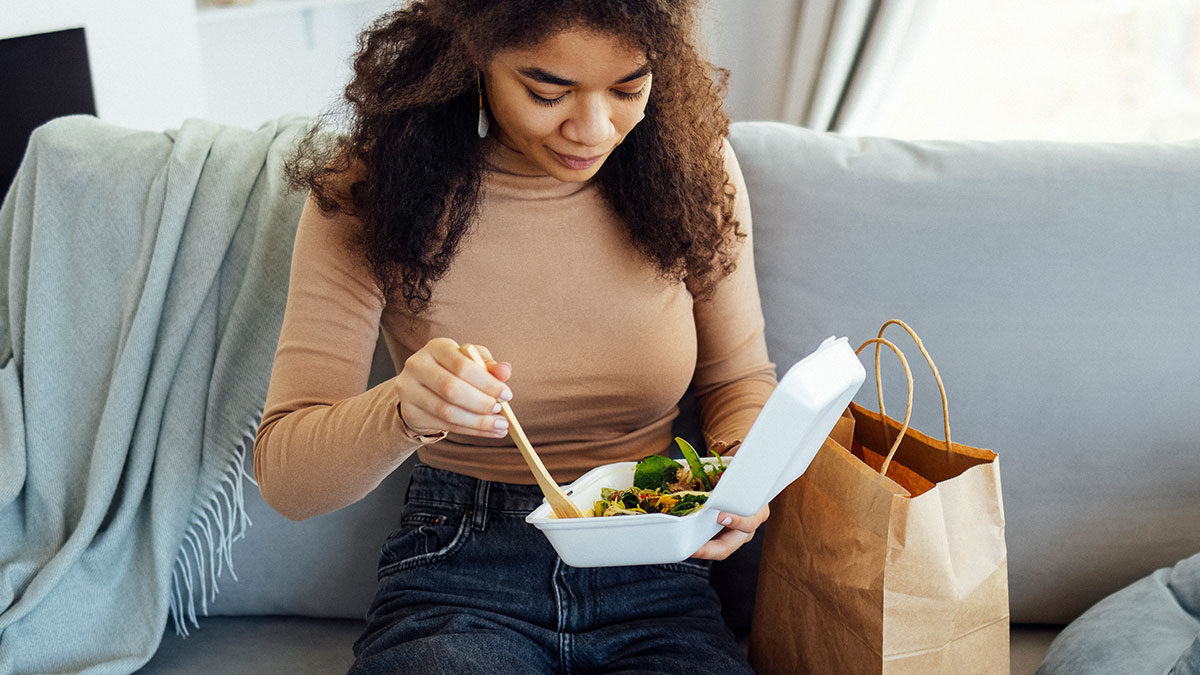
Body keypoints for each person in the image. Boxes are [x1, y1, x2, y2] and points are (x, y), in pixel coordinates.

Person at [255, 1, 778, 672]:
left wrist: (740, 473)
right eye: (546, 90)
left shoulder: (692, 167)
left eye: (629, 87)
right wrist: (404, 410)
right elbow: (289, 480)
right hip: (461, 567)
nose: (593, 128)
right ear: (474, 54)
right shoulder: (373, 187)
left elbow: (739, 379)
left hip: (653, 554)